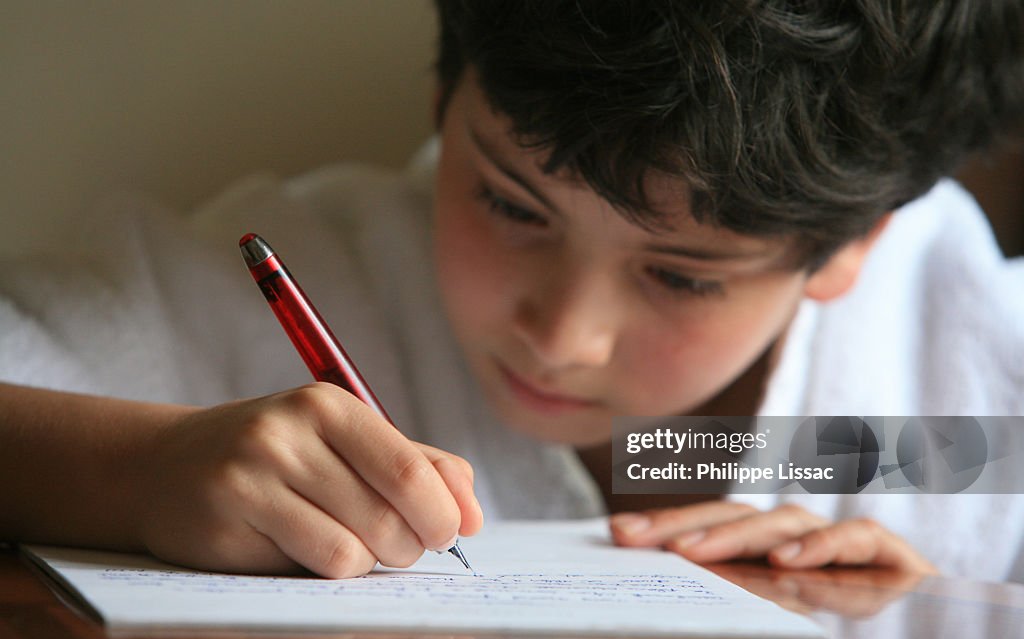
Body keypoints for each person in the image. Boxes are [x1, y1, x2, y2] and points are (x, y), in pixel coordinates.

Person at [1, 1, 1022, 581]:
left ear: (851, 246)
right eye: (511, 205)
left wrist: (947, 623)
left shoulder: (966, 355)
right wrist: (133, 473)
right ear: (447, 99)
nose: (562, 336)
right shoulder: (332, 257)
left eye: (678, 273)